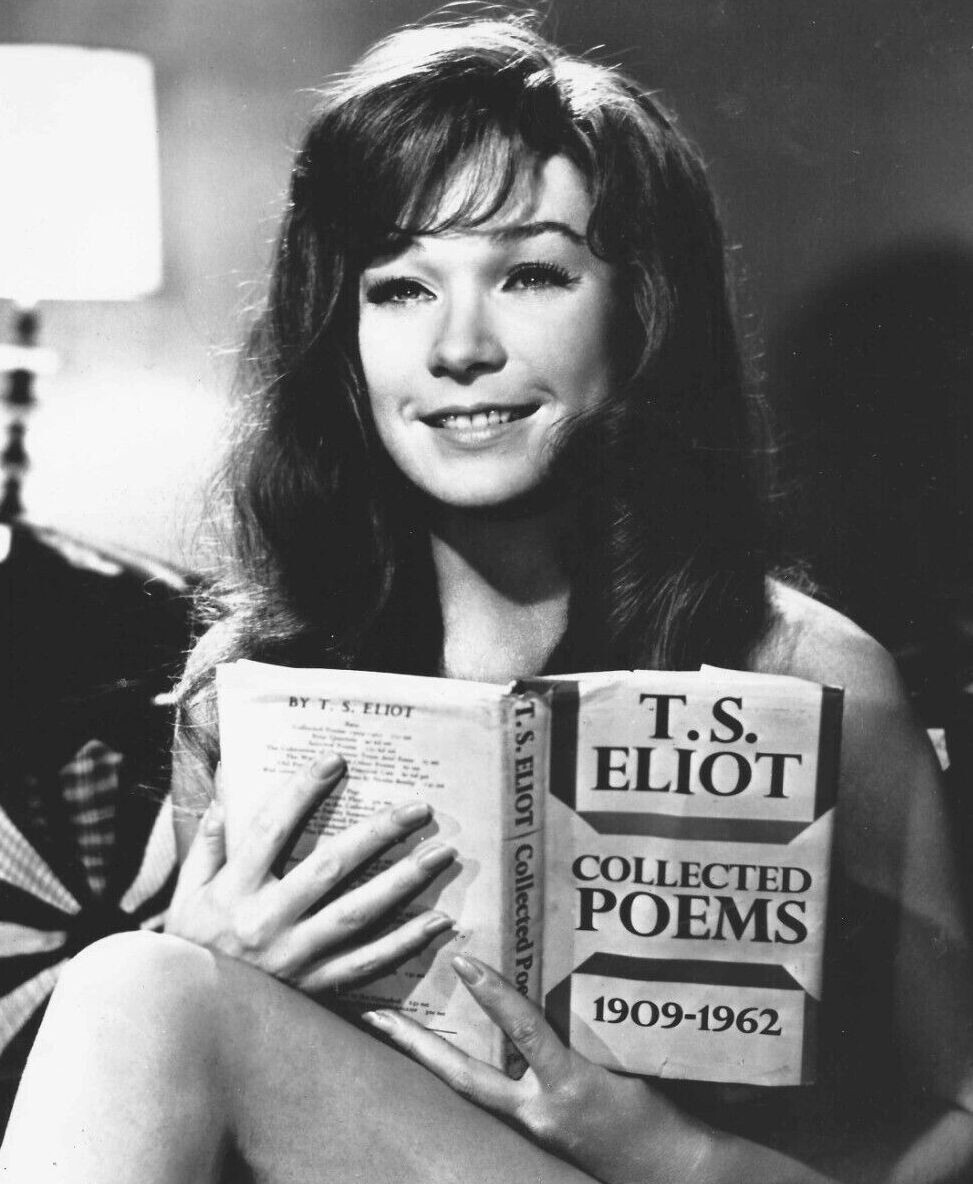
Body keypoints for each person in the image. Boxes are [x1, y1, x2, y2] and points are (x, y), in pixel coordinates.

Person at [2, 13, 971, 1183]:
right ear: (343, 338)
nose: (458, 345)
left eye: (530, 274)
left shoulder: (805, 670)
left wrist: (672, 1150)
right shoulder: (254, 680)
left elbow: (958, 1114)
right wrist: (201, 949)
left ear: (638, 309)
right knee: (143, 975)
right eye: (400, 287)